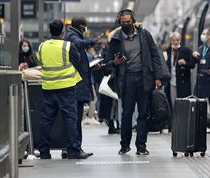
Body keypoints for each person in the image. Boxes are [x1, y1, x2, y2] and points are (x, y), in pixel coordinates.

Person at [106, 9, 163, 155]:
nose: (126, 24)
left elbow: (155, 55)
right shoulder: (116, 39)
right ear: (120, 23)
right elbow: (107, 61)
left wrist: (158, 77)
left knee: (143, 113)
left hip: (144, 78)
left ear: (133, 21)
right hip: (127, 80)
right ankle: (124, 145)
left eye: (128, 22)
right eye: (123, 22)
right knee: (126, 113)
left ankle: (141, 146)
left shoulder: (144, 35)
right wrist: (115, 62)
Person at [36, 19, 91, 159]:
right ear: (62, 32)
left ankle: (44, 152)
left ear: (50, 31)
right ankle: (73, 150)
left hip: (48, 87)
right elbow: (77, 61)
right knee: (70, 119)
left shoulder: (42, 46)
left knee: (46, 120)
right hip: (66, 88)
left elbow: (40, 61)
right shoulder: (67, 46)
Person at [63, 16, 100, 157]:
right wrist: (92, 41)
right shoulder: (72, 36)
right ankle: (74, 149)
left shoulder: (72, 34)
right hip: (76, 83)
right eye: (85, 26)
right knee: (75, 118)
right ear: (80, 26)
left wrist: (93, 65)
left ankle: (71, 148)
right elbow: (78, 44)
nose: (86, 29)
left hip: (77, 81)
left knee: (75, 118)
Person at [165, 32, 194, 107]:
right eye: (173, 40)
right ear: (171, 41)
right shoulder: (168, 51)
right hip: (172, 81)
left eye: (177, 40)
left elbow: (192, 65)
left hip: (183, 81)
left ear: (180, 40)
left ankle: (183, 118)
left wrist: (185, 63)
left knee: (183, 103)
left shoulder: (186, 51)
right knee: (172, 102)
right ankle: (174, 118)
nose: (175, 42)